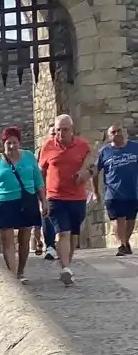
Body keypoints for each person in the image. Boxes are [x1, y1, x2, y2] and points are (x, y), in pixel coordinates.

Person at [37, 112, 94, 287]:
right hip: (55, 197)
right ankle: (65, 268)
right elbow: (40, 172)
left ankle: (66, 264)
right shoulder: (48, 146)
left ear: (72, 130)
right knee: (63, 232)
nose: (62, 133)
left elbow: (93, 166)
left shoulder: (83, 146)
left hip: (77, 197)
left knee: (73, 234)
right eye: (58, 130)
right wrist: (42, 198)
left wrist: (87, 173)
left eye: (65, 130)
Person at [0, 127, 45, 280]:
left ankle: (21, 271)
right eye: (8, 143)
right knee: (7, 238)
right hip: (2, 201)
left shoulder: (29, 156)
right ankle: (12, 274)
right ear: (3, 144)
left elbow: (38, 181)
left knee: (24, 237)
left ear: (19, 142)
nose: (12, 146)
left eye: (14, 142)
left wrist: (44, 201)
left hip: (26, 199)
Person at [93, 121, 138, 256]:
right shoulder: (104, 152)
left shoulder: (135, 147)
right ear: (109, 136)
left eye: (119, 131)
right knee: (118, 218)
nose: (117, 134)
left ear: (124, 132)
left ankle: (125, 242)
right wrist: (96, 192)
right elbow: (95, 171)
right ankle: (122, 245)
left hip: (133, 191)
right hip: (113, 192)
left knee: (130, 219)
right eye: (113, 132)